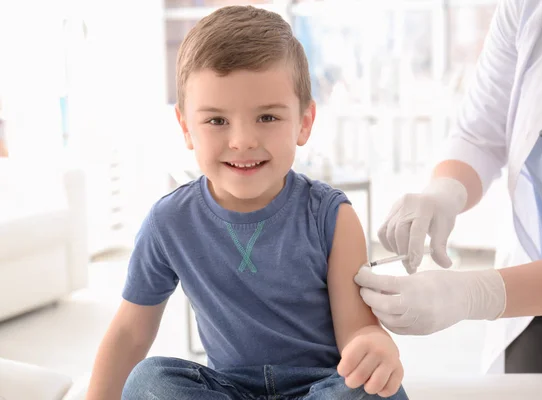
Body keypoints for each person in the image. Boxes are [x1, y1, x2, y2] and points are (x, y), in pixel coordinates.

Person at [86, 6, 408, 400]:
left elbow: (357, 330)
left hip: (321, 387)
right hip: (228, 390)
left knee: (369, 390)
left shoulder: (332, 216)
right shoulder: (169, 221)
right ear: (186, 128)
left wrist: (374, 346)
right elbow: (130, 333)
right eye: (217, 121)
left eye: (268, 118)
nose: (242, 141)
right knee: (149, 380)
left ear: (304, 122)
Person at [355, 0, 542, 374]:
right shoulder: (531, 7)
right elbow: (480, 133)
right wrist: (444, 192)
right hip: (538, 292)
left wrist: (475, 294)